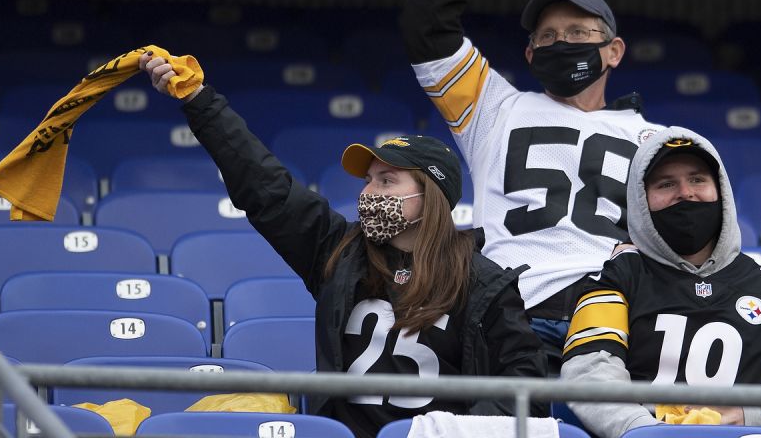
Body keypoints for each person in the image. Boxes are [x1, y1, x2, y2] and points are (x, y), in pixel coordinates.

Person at [139, 53, 547, 438]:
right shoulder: (339, 252)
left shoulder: (482, 282)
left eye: (387, 181)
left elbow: (524, 385)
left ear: (431, 196)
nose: (369, 193)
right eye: (368, 180)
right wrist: (199, 101)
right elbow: (266, 189)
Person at [400, 0, 662, 367]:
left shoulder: (658, 139)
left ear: (615, 51)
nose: (562, 43)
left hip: (616, 320)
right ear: (529, 54)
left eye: (579, 33)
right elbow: (427, 26)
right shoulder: (492, 107)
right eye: (548, 36)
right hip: (511, 317)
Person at [559, 126, 761, 438]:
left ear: (721, 191)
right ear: (640, 199)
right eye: (666, 183)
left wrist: (746, 417)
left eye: (697, 179)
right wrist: (651, 433)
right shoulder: (615, 277)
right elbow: (589, 376)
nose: (686, 193)